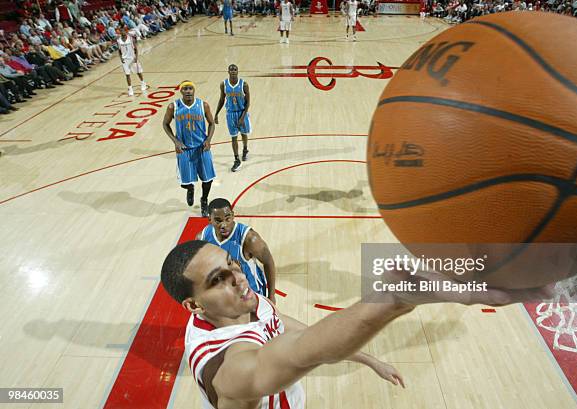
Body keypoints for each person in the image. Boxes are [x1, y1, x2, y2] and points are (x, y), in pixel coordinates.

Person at [160, 240, 553, 409]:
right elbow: (295, 354)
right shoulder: (221, 363)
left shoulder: (246, 303)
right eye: (219, 280)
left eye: (231, 264)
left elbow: (295, 331)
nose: (238, 277)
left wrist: (368, 359)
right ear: (194, 305)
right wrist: (392, 299)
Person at [197, 198, 276, 302]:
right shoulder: (202, 238)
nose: (224, 225)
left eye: (227, 218)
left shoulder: (250, 239)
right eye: (218, 220)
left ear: (233, 215)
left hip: (251, 292)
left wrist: (271, 296)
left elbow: (268, 262)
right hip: (225, 293)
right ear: (209, 219)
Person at [163, 80, 216, 217]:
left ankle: (204, 200)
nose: (188, 91)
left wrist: (208, 140)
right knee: (185, 182)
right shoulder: (173, 106)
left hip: (201, 147)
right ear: (181, 91)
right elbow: (165, 124)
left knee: (208, 178)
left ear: (194, 90)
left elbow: (211, 123)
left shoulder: (203, 105)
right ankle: (190, 188)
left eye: (190, 88)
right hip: (184, 149)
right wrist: (175, 141)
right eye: (185, 89)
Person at [214, 64, 251, 172]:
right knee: (233, 137)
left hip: (241, 112)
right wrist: (216, 114)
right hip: (230, 114)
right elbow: (221, 100)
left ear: (238, 71)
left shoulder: (244, 84)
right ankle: (236, 159)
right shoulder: (224, 84)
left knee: (244, 134)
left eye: (235, 69)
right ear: (228, 71)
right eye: (231, 70)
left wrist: (242, 117)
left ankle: (245, 149)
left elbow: (248, 102)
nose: (233, 71)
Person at [117, 25, 147, 96]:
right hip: (125, 59)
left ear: (125, 31)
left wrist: (136, 57)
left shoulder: (131, 39)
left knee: (138, 72)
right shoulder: (118, 40)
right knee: (127, 75)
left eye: (123, 30)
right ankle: (130, 89)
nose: (122, 32)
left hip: (132, 58)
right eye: (121, 31)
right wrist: (121, 58)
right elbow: (119, 50)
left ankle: (143, 83)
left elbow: (136, 49)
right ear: (120, 32)